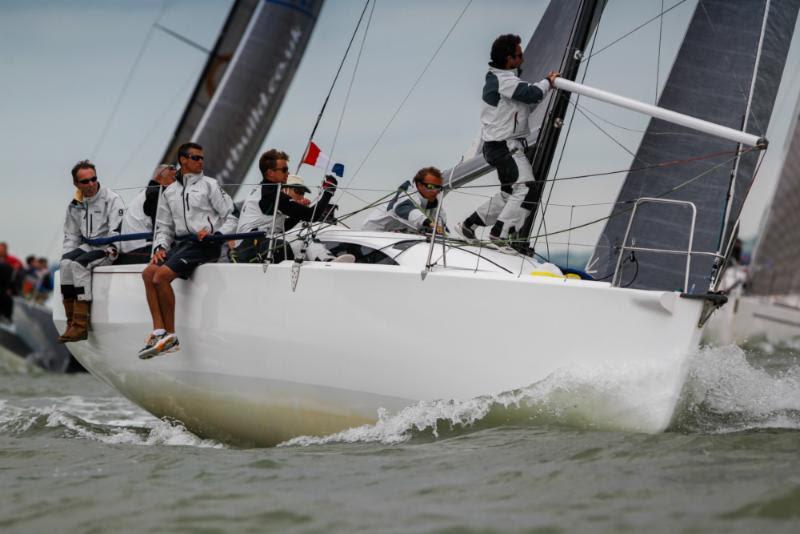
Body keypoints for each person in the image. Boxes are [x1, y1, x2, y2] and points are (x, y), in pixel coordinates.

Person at [457, 34, 559, 244]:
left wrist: (545, 91)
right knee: (526, 190)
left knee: (508, 193)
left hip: (499, 147)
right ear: (508, 58)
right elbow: (531, 94)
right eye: (519, 55)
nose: (522, 58)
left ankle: (469, 225)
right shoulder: (503, 80)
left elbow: (524, 105)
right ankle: (499, 235)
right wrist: (548, 82)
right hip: (506, 147)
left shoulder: (501, 79)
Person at [138, 142, 236, 359]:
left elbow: (231, 215)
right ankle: (159, 332)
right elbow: (163, 226)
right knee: (147, 273)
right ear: (183, 160)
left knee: (160, 277)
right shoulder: (169, 191)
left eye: (202, 158)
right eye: (196, 158)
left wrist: (215, 233)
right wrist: (160, 247)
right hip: (182, 245)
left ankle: (171, 337)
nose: (201, 161)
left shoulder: (210, 185)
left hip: (205, 244)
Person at [58, 160, 125, 342]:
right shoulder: (75, 204)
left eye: (93, 179)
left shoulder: (112, 199)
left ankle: (81, 326)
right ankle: (70, 322)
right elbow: (71, 236)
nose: (91, 184)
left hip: (108, 247)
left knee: (80, 265)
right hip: (88, 245)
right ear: (76, 184)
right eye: (85, 181)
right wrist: (67, 255)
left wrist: (112, 249)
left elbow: (116, 232)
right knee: (64, 264)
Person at [232, 149, 338, 263]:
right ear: (270, 173)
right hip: (253, 247)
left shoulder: (263, 189)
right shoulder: (271, 193)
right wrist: (328, 191)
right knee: (307, 241)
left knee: (302, 245)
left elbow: (283, 227)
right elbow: (313, 216)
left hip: (250, 246)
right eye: (284, 170)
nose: (288, 173)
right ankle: (330, 264)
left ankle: (326, 264)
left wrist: (297, 212)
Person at [117, 164, 177, 265]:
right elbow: (161, 227)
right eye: (174, 178)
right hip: (141, 252)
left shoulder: (143, 194)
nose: (176, 182)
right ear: (159, 176)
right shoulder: (155, 193)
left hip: (129, 253)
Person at [362, 167, 447, 234]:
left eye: (438, 187)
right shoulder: (407, 195)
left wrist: (442, 230)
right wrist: (429, 223)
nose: (435, 191)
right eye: (431, 187)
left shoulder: (434, 203)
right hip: (374, 233)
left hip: (396, 235)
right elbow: (403, 209)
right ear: (419, 185)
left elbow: (440, 224)